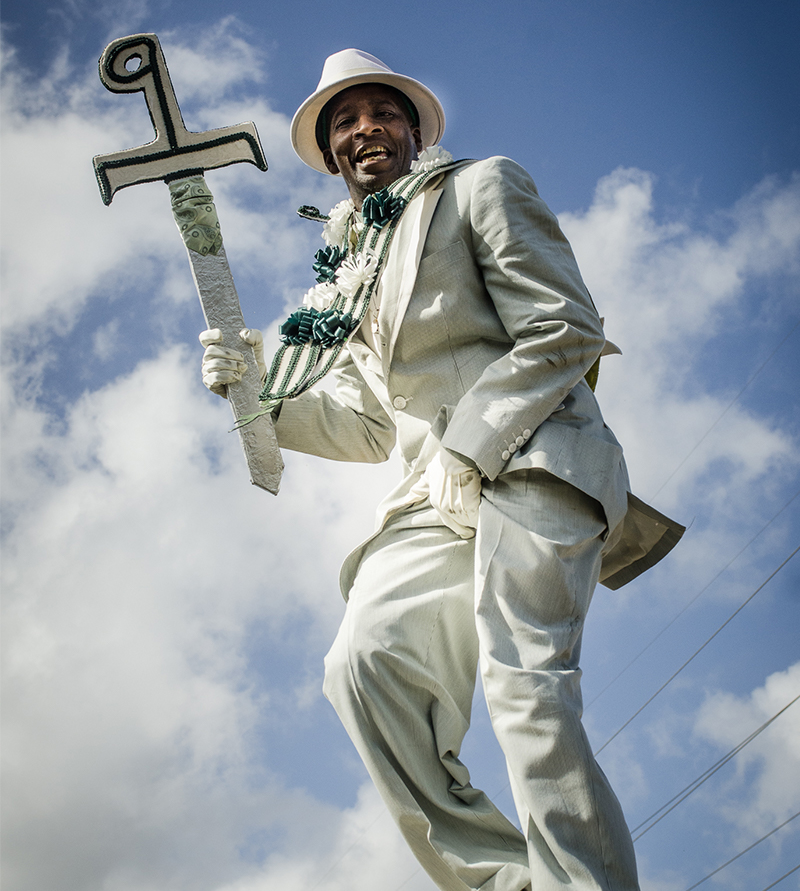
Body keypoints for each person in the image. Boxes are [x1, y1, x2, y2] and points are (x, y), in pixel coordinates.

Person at [200, 49, 683, 891]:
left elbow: (565, 328)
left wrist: (473, 442)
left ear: (415, 129)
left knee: (525, 692)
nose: (364, 131)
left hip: (531, 458)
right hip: (427, 496)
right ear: (331, 152)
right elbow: (360, 425)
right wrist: (255, 396)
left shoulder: (480, 187)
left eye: (381, 113)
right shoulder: (346, 276)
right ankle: (507, 882)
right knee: (363, 668)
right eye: (343, 123)